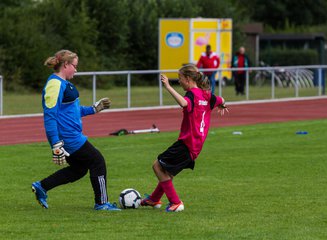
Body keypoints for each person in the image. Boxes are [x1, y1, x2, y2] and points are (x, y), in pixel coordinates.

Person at [31, 49, 120, 211]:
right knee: (97, 161)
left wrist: (94, 109)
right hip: (68, 137)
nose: (76, 70)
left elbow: (72, 111)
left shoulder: (64, 84)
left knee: (79, 170)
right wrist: (56, 143)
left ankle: (42, 186)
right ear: (65, 65)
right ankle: (102, 204)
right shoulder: (55, 84)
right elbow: (50, 116)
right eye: (74, 66)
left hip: (71, 136)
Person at [141, 64, 228, 212]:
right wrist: (222, 105)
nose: (179, 81)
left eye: (180, 78)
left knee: (157, 166)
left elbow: (183, 103)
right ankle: (154, 199)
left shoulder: (192, 95)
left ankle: (176, 202)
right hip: (196, 146)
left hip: (187, 143)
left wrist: (168, 86)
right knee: (167, 172)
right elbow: (221, 99)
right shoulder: (207, 95)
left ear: (188, 79)